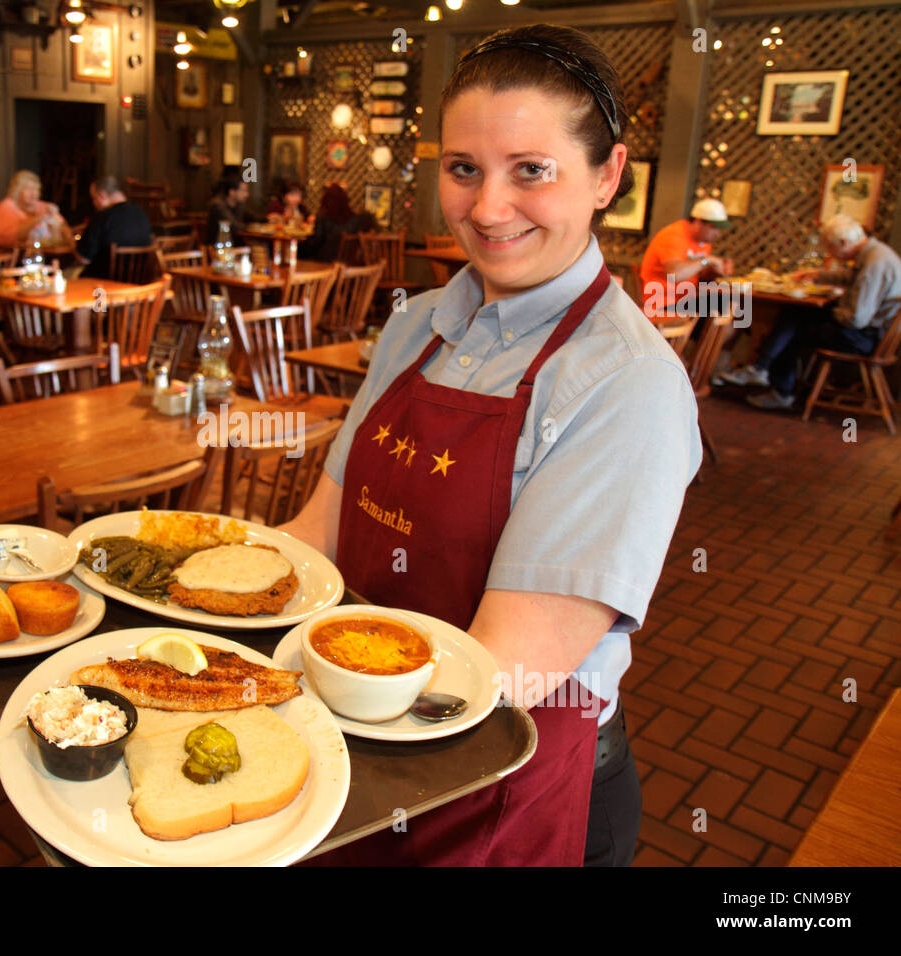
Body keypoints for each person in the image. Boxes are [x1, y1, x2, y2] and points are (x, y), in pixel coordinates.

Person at [280, 23, 701, 866]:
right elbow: (318, 535)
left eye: (531, 171)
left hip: (506, 780)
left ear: (607, 175)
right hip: (363, 742)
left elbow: (498, 678)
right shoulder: (415, 325)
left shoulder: (627, 385)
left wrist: (279, 709)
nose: (487, 208)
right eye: (463, 169)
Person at [722, 214, 901, 410]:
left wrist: (833, 310)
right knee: (796, 313)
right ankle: (761, 367)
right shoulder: (875, 253)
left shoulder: (874, 265)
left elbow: (856, 318)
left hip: (865, 338)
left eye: (830, 246)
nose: (829, 252)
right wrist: (817, 276)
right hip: (871, 332)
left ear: (843, 242)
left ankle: (780, 389)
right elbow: (850, 277)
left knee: (796, 330)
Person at [638, 198, 735, 319]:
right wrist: (707, 260)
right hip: (662, 303)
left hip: (686, 299)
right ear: (698, 222)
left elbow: (699, 276)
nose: (718, 233)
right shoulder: (673, 235)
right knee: (724, 305)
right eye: (713, 227)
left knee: (731, 304)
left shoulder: (704, 243)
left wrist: (716, 271)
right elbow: (674, 275)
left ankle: (710, 337)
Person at [74, 174, 153, 280]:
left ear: (102, 196)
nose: (93, 203)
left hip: (103, 286)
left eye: (94, 198)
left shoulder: (102, 217)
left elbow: (83, 259)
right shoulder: (140, 212)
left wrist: (69, 239)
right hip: (140, 286)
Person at [0, 171, 71, 257]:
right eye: (28, 189)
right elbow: (5, 239)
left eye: (36, 189)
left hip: (26, 256)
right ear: (17, 190)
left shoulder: (42, 207)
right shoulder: (6, 207)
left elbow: (64, 229)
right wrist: (36, 220)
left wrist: (55, 218)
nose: (33, 193)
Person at [297, 183, 376, 262]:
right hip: (347, 262)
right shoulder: (355, 219)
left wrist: (299, 247)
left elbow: (315, 243)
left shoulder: (323, 217)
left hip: (324, 262)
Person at [204, 174, 263, 245]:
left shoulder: (239, 204)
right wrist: (255, 227)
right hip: (219, 247)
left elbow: (252, 216)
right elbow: (234, 226)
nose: (247, 195)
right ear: (232, 192)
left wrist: (268, 219)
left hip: (235, 245)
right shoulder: (218, 205)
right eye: (243, 191)